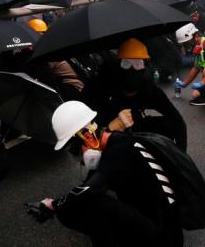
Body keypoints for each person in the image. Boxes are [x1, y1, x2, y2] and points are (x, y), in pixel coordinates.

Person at [26, 101, 184, 247]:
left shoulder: (120, 151)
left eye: (74, 150)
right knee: (82, 201)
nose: (77, 158)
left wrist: (53, 204)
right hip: (157, 222)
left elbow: (86, 191)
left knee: (90, 203)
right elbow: (88, 183)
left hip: (164, 237)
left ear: (87, 136)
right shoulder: (115, 142)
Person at [88, 38, 187, 150]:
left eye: (138, 64)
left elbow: (177, 122)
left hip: (137, 129)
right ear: (118, 65)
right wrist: (110, 128)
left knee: (169, 124)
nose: (132, 69)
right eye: (126, 63)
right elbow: (90, 138)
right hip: (113, 141)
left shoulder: (150, 90)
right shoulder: (105, 88)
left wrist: (181, 157)